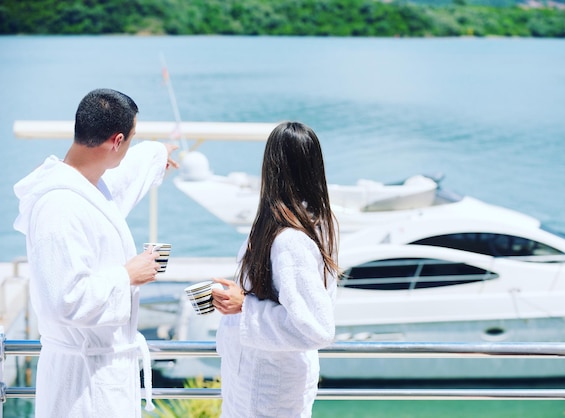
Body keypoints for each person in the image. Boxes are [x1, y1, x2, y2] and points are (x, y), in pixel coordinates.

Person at [13, 88, 179, 418]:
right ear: (116, 141)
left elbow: (123, 179)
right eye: (130, 140)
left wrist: (157, 153)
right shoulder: (59, 206)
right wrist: (128, 275)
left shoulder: (87, 185)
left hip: (101, 373)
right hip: (80, 386)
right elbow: (66, 301)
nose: (128, 148)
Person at [211, 121, 339, 418]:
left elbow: (317, 328)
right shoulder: (309, 223)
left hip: (270, 390)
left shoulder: (291, 240)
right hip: (261, 382)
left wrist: (246, 308)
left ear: (271, 166)